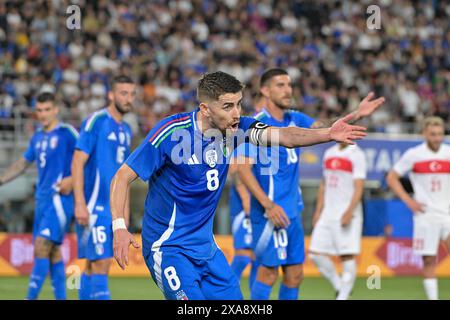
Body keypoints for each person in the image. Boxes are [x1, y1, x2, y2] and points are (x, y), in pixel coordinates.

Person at [110, 71, 383, 300]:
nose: (237, 113)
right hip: (168, 248)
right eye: (228, 106)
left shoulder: (238, 130)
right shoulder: (170, 132)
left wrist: (327, 133)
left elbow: (285, 136)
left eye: (239, 104)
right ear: (205, 108)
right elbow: (121, 177)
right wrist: (120, 227)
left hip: (207, 249)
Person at [236, 68, 375, 300]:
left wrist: (356, 114)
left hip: (292, 211)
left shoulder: (295, 118)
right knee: (268, 273)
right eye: (280, 85)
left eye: (289, 84)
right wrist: (267, 204)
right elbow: (242, 168)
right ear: (265, 90)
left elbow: (326, 127)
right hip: (270, 213)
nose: (288, 90)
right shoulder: (256, 125)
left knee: (295, 274)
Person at [0, 92, 78, 300]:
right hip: (42, 201)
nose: (42, 114)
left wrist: (72, 180)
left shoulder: (67, 133)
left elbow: (86, 158)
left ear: (56, 110)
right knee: (53, 253)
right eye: (39, 110)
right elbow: (22, 164)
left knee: (42, 246)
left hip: (60, 200)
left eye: (46, 110)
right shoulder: (37, 137)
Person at [71, 75, 136, 300]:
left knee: (94, 265)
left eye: (132, 94)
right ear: (111, 95)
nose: (128, 99)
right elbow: (78, 161)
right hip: (93, 206)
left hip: (113, 212)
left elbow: (124, 176)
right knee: (100, 263)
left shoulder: (127, 130)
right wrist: (79, 203)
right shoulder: (96, 121)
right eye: (123, 93)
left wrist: (124, 218)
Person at [386, 116, 450, 300]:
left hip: (447, 214)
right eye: (433, 134)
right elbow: (391, 177)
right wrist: (409, 201)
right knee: (429, 260)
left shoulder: (448, 152)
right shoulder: (414, 154)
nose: (437, 138)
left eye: (440, 134)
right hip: (425, 215)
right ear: (425, 134)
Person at [309, 142, 367, 300]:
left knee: (346, 256)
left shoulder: (357, 154)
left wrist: (350, 211)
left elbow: (359, 186)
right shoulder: (329, 152)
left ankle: (342, 296)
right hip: (328, 212)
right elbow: (324, 184)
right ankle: (340, 287)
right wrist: (318, 210)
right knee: (314, 253)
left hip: (347, 212)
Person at [228, 157, 258, 290]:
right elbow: (234, 168)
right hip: (242, 207)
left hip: (260, 204)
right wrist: (245, 197)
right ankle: (226, 293)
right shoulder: (244, 141)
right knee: (243, 255)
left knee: (258, 257)